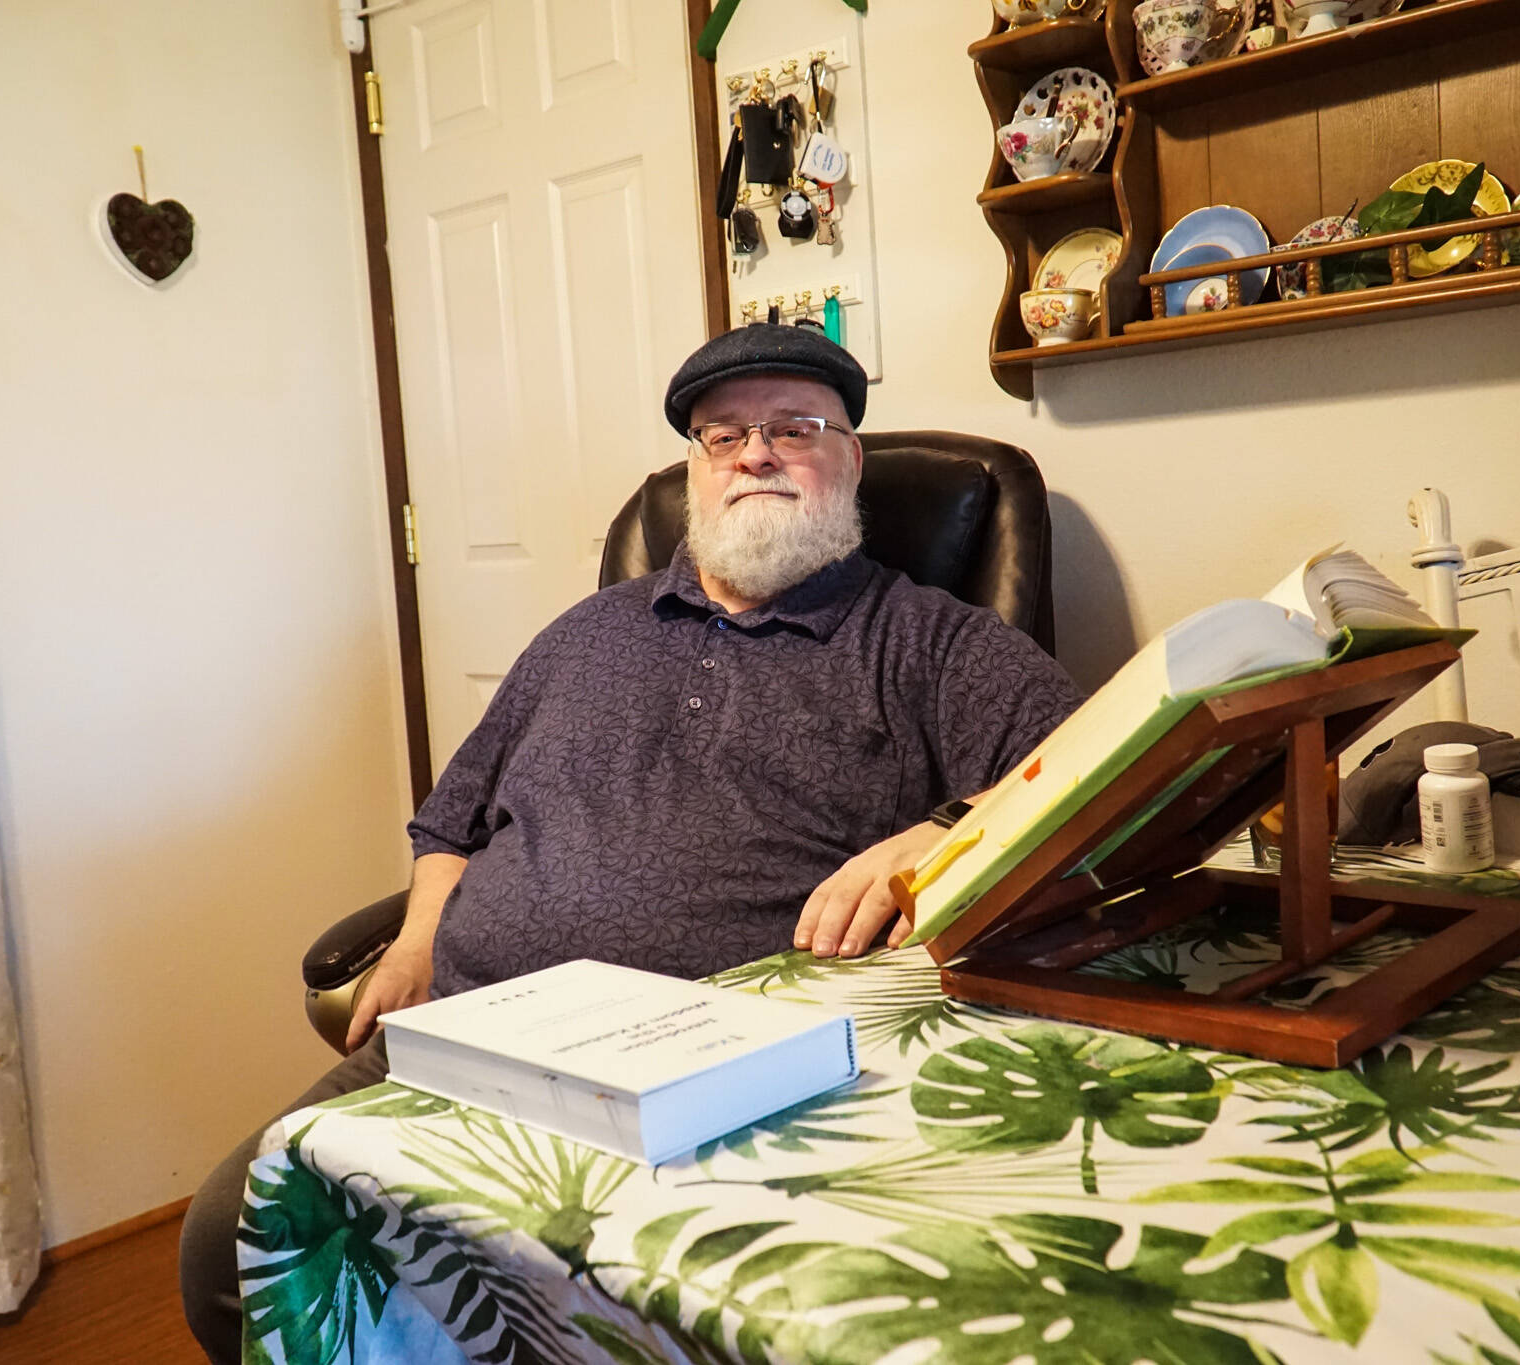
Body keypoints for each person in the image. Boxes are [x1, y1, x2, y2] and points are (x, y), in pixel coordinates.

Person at [178, 325, 1083, 1363]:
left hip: (702, 1089)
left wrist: (935, 834)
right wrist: (420, 938)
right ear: (694, 471)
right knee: (235, 1251)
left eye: (794, 427)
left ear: (850, 460)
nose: (755, 454)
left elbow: (1085, 773)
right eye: (723, 435)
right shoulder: (586, 632)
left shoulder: (926, 639)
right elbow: (453, 814)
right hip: (464, 1034)